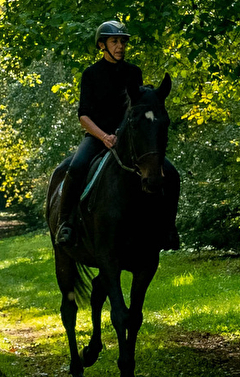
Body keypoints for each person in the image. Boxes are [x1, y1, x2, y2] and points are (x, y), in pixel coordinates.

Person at [55, 20, 182, 249]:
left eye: (123, 42)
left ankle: (168, 228)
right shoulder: (91, 74)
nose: (120, 46)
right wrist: (104, 137)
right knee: (76, 167)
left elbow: (140, 111)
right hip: (98, 138)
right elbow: (83, 116)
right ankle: (66, 224)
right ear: (102, 45)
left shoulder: (134, 72)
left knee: (171, 173)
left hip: (130, 140)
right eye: (114, 41)